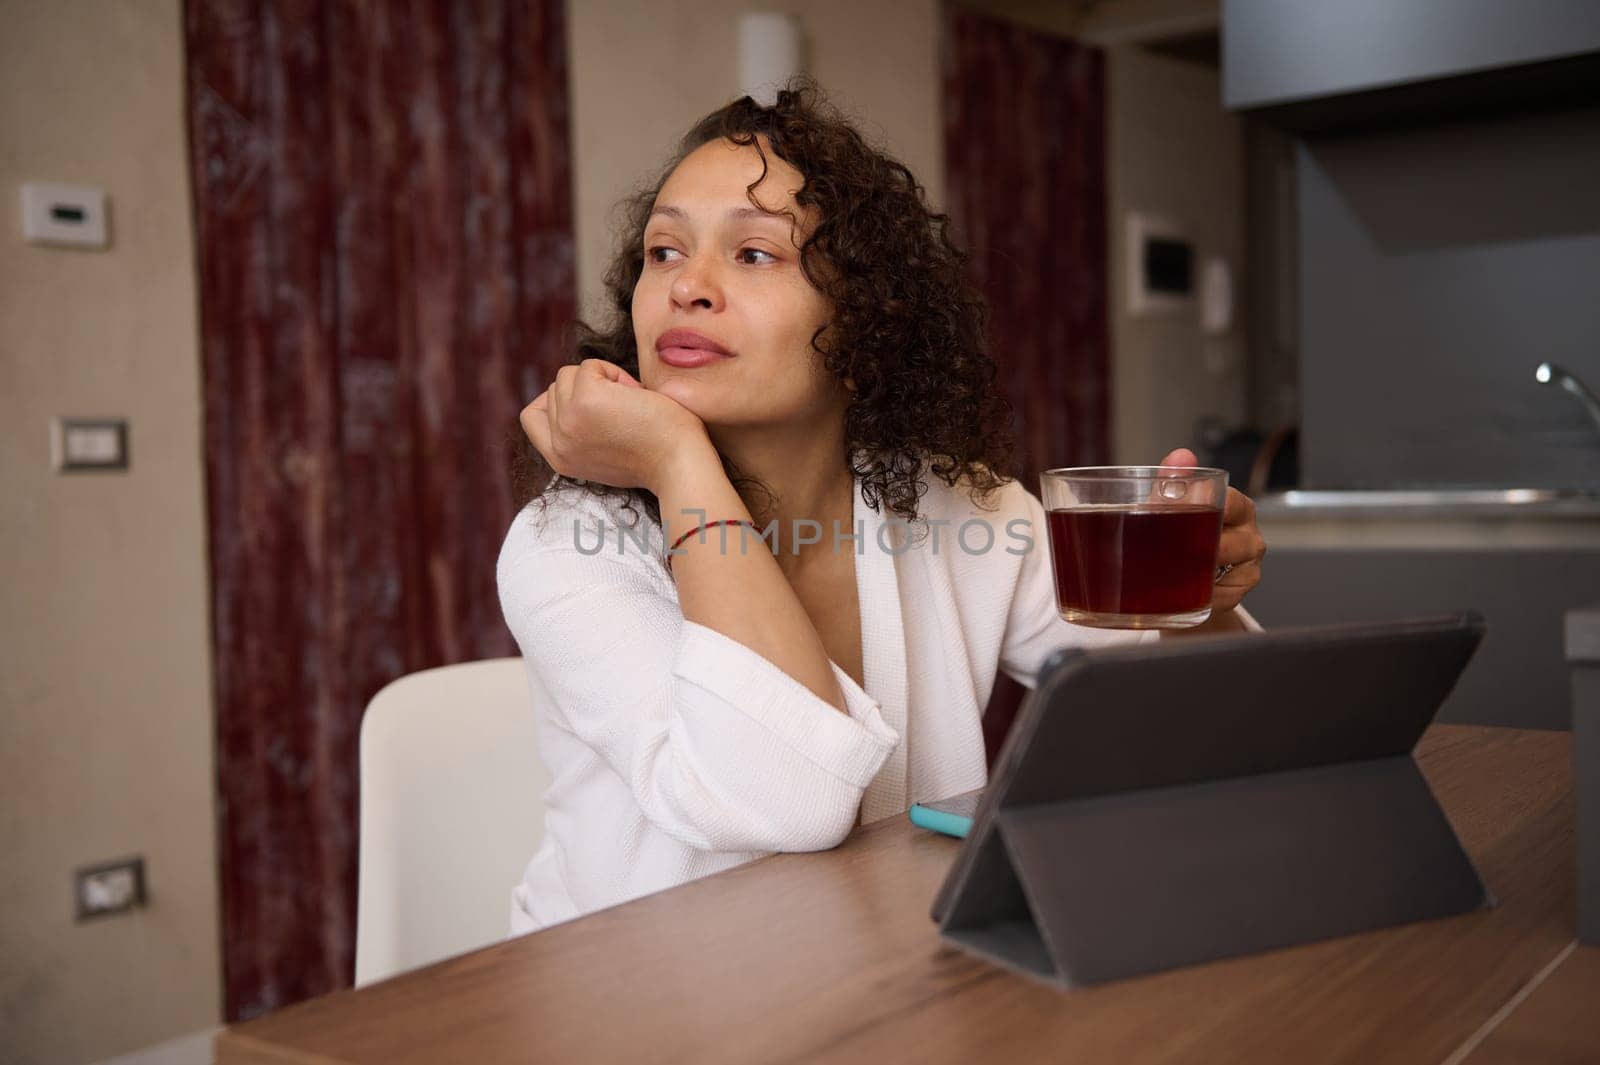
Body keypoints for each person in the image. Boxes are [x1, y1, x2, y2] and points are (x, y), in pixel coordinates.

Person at [500, 81, 1267, 935]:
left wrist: (1200, 599)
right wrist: (679, 463)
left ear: (865, 328)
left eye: (754, 255)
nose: (688, 288)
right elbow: (778, 797)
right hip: (628, 1012)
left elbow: (1211, 719)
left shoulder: (956, 508)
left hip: (893, 983)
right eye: (663, 252)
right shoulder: (566, 546)